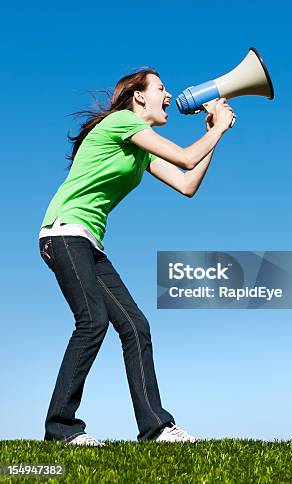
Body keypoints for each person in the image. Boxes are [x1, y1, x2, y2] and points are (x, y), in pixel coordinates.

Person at [38, 67, 234, 446]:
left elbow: (187, 182)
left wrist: (214, 135)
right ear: (139, 96)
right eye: (161, 88)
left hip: (88, 242)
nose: (168, 95)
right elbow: (186, 158)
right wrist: (216, 128)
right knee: (92, 322)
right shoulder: (122, 122)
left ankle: (156, 428)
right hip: (63, 232)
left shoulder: (140, 146)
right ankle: (60, 429)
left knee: (135, 326)